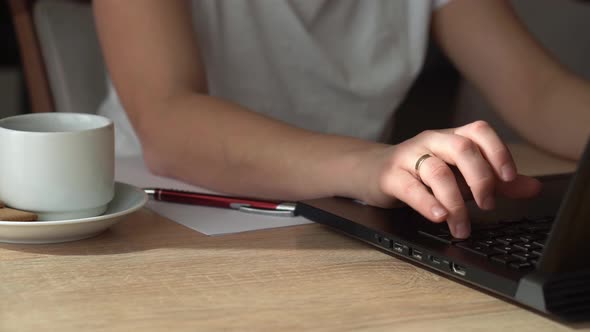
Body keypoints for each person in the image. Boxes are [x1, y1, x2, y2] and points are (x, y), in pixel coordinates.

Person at [93, 0, 590, 239]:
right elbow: (168, 122)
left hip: (342, 216)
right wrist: (374, 167)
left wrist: (372, 172)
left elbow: (538, 92)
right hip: (152, 221)